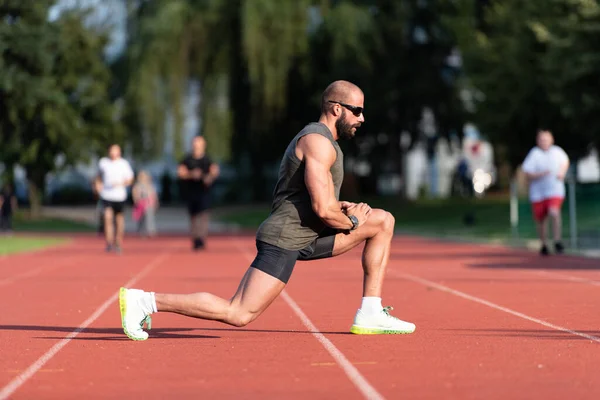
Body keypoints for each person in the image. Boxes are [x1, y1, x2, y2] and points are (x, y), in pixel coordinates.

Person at [119, 80, 416, 341]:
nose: (362, 118)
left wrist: (344, 208)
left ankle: (370, 311)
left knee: (381, 221)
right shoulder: (317, 142)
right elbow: (322, 209)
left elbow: (317, 200)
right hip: (285, 238)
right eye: (357, 110)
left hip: (308, 235)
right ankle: (144, 302)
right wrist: (351, 219)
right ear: (336, 108)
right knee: (238, 312)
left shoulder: (326, 144)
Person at [522, 129, 570, 255]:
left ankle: (557, 241)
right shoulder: (534, 154)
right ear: (538, 141)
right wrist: (541, 174)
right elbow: (527, 173)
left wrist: (562, 173)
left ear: (551, 139)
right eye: (541, 139)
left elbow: (565, 162)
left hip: (554, 190)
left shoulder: (557, 152)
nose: (544, 142)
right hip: (538, 193)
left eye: (546, 139)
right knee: (541, 219)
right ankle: (544, 244)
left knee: (554, 212)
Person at [177, 136, 220, 250]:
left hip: (204, 191)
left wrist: (208, 178)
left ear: (203, 146)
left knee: (204, 214)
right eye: (195, 145)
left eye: (199, 145)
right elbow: (180, 172)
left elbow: (215, 171)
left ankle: (201, 237)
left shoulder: (207, 159)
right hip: (191, 191)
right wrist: (192, 174)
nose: (196, 147)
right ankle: (195, 238)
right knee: (194, 216)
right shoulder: (187, 159)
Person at [96, 144, 134, 253]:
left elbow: (130, 179)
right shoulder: (103, 162)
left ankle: (118, 241)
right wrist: (98, 185)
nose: (113, 153)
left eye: (115, 151)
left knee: (119, 220)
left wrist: (121, 183)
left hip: (119, 196)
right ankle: (109, 241)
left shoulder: (124, 164)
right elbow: (98, 176)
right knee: (107, 217)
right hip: (106, 195)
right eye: (111, 151)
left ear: (119, 152)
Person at [132, 170, 159, 237]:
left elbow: (153, 194)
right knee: (141, 218)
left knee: (150, 217)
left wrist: (156, 202)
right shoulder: (137, 185)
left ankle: (150, 230)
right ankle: (141, 231)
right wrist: (136, 201)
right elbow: (135, 193)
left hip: (149, 203)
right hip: (141, 204)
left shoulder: (150, 185)